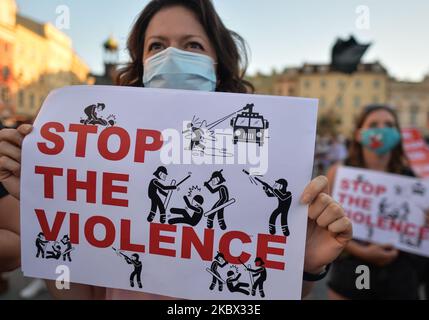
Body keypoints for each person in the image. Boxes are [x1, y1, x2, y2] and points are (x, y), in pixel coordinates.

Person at [0, 0, 352, 300]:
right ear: (140, 64)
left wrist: (304, 265)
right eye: (156, 46)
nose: (172, 56)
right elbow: (79, 293)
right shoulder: (105, 164)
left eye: (193, 45)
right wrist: (44, 204)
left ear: (218, 62)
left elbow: (265, 289)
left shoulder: (267, 157)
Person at [327, 104, 426, 300]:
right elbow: (323, 228)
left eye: (389, 124)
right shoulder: (339, 173)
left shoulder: (412, 178)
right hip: (352, 271)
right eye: (373, 124)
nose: (382, 130)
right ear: (358, 134)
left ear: (398, 134)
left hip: (400, 272)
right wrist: (362, 251)